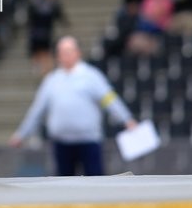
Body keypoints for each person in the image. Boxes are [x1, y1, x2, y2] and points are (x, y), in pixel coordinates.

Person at [9, 36, 137, 176]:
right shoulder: (52, 81)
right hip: (61, 144)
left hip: (89, 141)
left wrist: (126, 119)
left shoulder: (92, 76)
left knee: (95, 184)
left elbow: (109, 100)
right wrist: (21, 134)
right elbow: (37, 110)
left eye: (69, 51)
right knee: (64, 187)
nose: (66, 55)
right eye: (62, 52)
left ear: (78, 52)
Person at [28, 0, 69, 75]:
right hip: (36, 32)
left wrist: (65, 23)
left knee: (47, 53)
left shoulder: (54, 4)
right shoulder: (36, 3)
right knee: (38, 51)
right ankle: (39, 68)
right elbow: (31, 18)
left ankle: (46, 71)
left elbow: (59, 15)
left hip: (47, 33)